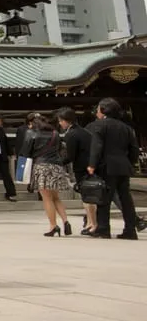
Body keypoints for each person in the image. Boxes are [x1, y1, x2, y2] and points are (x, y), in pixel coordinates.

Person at [87, 98, 140, 240]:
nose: (97, 111)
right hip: (123, 166)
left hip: (107, 166)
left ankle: (103, 229)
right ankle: (130, 229)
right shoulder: (127, 128)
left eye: (98, 109)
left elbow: (96, 147)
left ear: (103, 110)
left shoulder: (100, 126)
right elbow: (134, 149)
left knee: (104, 198)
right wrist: (130, 163)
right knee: (126, 199)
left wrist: (92, 164)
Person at [25, 114, 73, 236]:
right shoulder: (54, 133)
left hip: (42, 166)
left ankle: (53, 225)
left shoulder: (32, 133)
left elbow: (26, 151)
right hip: (56, 166)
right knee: (56, 197)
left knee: (47, 198)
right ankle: (66, 221)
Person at [58, 107, 95, 234]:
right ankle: (91, 222)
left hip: (81, 167)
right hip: (90, 165)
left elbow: (70, 156)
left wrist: (59, 162)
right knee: (90, 196)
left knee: (86, 197)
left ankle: (91, 223)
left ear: (67, 121)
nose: (60, 123)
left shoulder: (71, 134)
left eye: (61, 121)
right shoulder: (85, 132)